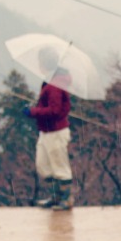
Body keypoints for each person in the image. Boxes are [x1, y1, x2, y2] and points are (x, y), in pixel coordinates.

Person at [23, 52, 74, 210]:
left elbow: (55, 111)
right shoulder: (50, 81)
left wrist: (33, 112)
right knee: (43, 165)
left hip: (56, 131)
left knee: (59, 165)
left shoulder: (55, 85)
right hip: (46, 131)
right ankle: (56, 196)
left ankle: (66, 198)